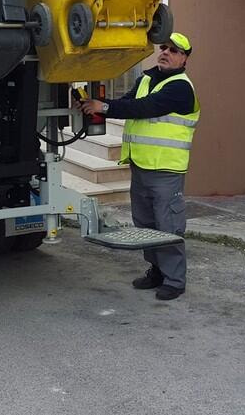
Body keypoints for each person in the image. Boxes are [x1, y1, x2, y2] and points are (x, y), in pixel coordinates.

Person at [77, 32, 199, 301]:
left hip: (166, 169)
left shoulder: (181, 87)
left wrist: (103, 106)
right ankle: (156, 272)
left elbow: (143, 108)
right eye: (163, 47)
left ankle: (175, 280)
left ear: (184, 59)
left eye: (174, 50)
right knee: (145, 224)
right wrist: (95, 106)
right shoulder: (146, 79)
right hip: (141, 165)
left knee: (168, 225)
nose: (165, 52)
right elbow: (128, 103)